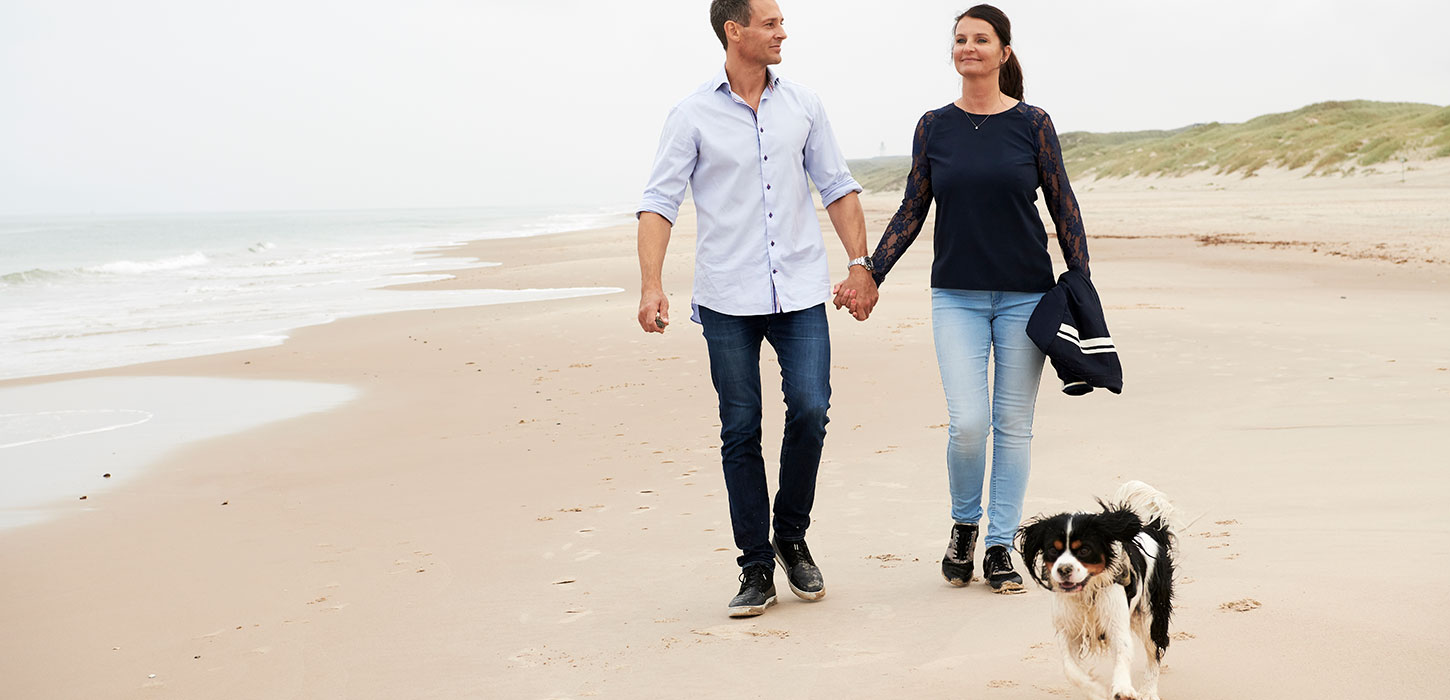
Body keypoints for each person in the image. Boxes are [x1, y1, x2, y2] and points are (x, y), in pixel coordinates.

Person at [833, 4, 1091, 594]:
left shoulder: (1033, 123)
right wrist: (870, 272)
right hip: (956, 297)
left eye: (981, 39)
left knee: (1013, 425)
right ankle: (964, 526)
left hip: (1027, 296)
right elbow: (913, 208)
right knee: (969, 424)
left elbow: (1063, 205)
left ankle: (1000, 545)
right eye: (960, 40)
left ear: (1004, 52)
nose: (968, 48)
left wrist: (1081, 282)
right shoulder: (934, 126)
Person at [635, 0, 871, 617]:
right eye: (770, 23)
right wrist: (651, 284)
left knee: (811, 409)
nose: (782, 32)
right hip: (726, 296)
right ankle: (756, 566)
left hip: (799, 289)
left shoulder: (805, 105)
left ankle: (790, 536)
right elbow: (659, 202)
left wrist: (860, 264)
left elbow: (837, 185)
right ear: (733, 30)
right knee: (740, 429)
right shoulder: (690, 114)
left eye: (781, 22)